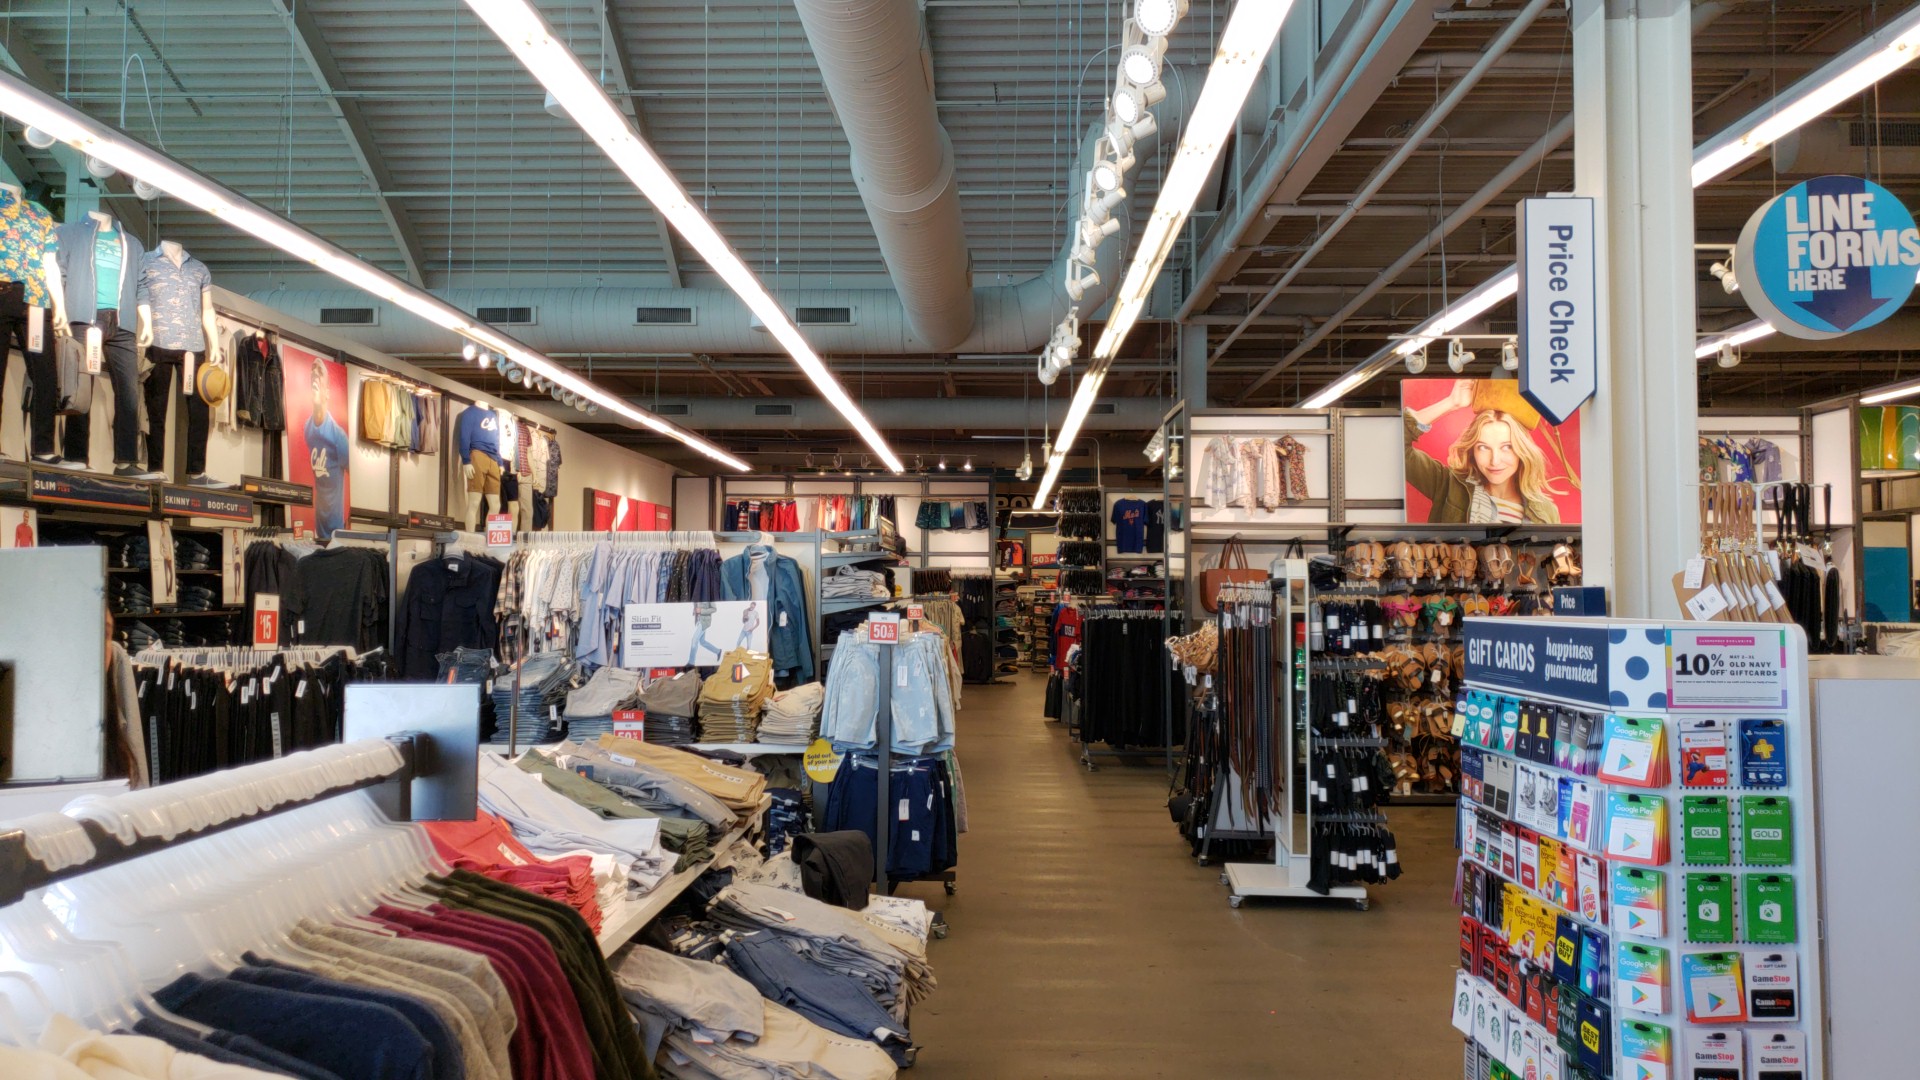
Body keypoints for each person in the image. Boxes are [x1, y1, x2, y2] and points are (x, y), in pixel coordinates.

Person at [1405, 378, 1563, 524]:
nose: (1495, 460)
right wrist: (1452, 403)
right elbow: (1397, 446)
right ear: (1472, 451)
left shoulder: (1546, 511)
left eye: (1507, 447)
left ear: (1522, 450)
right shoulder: (1448, 484)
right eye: (1483, 447)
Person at [303, 360, 349, 540]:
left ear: (327, 393)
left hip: (336, 533)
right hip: (318, 531)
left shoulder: (338, 437)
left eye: (319, 374)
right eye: (312, 374)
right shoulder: (308, 429)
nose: (315, 376)